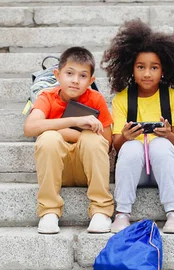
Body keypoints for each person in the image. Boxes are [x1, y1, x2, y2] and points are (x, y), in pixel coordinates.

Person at [101, 19, 174, 234]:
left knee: (160, 145)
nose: (147, 73)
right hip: (136, 169)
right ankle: (122, 213)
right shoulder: (122, 99)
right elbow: (116, 144)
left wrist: (168, 135)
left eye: (154, 67)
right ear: (131, 68)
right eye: (141, 67)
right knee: (131, 147)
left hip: (167, 166)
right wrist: (124, 136)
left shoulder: (173, 97)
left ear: (164, 70)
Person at [24, 47, 114, 234]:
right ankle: (49, 212)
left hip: (85, 169)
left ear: (91, 81)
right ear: (57, 75)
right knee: (49, 137)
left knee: (93, 139)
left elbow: (107, 143)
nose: (75, 80)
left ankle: (101, 211)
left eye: (82, 76)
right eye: (69, 73)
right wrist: (75, 122)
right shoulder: (46, 97)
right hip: (59, 170)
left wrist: (74, 134)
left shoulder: (95, 99)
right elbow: (30, 128)